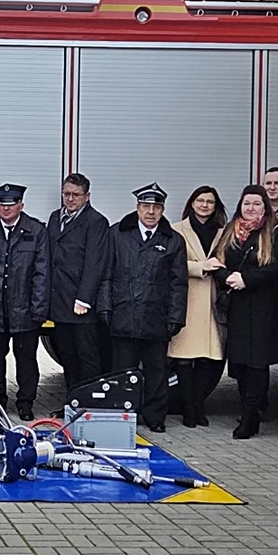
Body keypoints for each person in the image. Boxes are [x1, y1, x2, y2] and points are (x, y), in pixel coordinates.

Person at [98, 183, 188, 433]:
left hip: (155, 318)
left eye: (156, 207)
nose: (151, 212)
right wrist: (104, 307)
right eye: (146, 206)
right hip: (123, 314)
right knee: (122, 372)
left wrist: (176, 317)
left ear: (162, 210)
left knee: (156, 372)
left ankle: (155, 416)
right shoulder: (117, 233)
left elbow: (179, 283)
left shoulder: (173, 240)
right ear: (137, 207)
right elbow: (106, 273)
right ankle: (121, 414)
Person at [213, 185, 278, 439]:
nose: (251, 208)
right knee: (239, 363)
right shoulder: (231, 230)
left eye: (257, 204)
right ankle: (246, 409)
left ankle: (251, 416)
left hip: (263, 307)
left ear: (265, 206)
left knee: (257, 363)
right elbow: (217, 262)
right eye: (246, 203)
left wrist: (246, 279)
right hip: (236, 306)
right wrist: (228, 277)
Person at [0, 184, 49, 421]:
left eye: (10, 205)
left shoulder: (36, 231)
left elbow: (41, 273)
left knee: (26, 361)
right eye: (1, 204)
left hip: (25, 311)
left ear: (21, 205)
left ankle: (26, 402)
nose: (5, 209)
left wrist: (38, 310)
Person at [46, 173, 109, 405]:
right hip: (59, 301)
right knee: (68, 357)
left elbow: (95, 263)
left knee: (87, 358)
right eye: (66, 194)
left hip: (81, 305)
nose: (70, 199)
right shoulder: (55, 218)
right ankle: (72, 403)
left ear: (87, 196)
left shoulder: (96, 221)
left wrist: (84, 298)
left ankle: (91, 405)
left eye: (75, 195)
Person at [168, 186, 227, 428]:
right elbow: (173, 263)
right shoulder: (175, 229)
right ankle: (188, 410)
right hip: (187, 300)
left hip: (213, 301)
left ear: (216, 206)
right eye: (200, 200)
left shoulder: (225, 232)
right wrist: (201, 266)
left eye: (210, 202)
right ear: (191, 203)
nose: (205, 205)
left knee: (207, 360)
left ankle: (198, 406)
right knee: (183, 359)